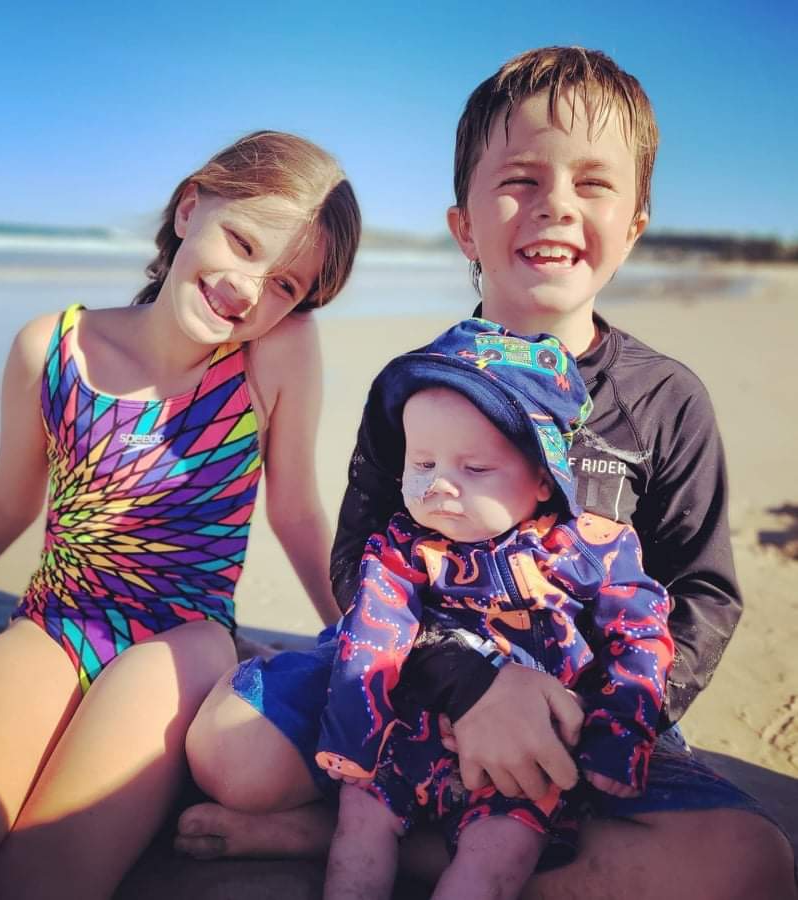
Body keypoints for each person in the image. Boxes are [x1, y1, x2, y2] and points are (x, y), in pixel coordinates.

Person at [178, 49, 797, 898]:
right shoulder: (416, 386)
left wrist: (581, 719)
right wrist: (463, 685)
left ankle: (344, 838)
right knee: (228, 749)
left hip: (575, 714)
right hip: (414, 678)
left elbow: (701, 593)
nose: (557, 205)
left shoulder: (664, 400)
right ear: (464, 226)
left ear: (635, 224)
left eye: (593, 183)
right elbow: (358, 558)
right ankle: (390, 824)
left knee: (748, 864)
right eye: (520, 179)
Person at [0, 130, 361, 900]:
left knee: (45, 871)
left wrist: (355, 642)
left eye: (284, 284)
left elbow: (297, 512)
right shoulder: (53, 348)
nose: (249, 290)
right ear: (189, 209)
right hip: (55, 621)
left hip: (184, 637)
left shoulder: (273, 354)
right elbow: (9, 500)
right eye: (243, 243)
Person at [316, 320, 673, 900]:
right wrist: (354, 741)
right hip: (406, 737)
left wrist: (617, 739)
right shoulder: (401, 551)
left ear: (543, 480)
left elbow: (640, 636)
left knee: (495, 859)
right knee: (359, 823)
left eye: (475, 469)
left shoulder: (592, 549)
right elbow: (370, 637)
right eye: (422, 464)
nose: (439, 486)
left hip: (524, 761)